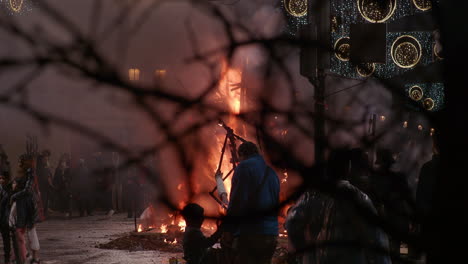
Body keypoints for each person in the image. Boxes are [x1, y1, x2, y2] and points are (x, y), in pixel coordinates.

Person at [223, 141, 279, 264]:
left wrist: (228, 229)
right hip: (271, 234)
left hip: (250, 233)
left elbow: (237, 202)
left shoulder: (243, 168)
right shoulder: (272, 173)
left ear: (242, 154)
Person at [9, 154, 41, 264]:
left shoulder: (30, 173)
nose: (18, 163)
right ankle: (19, 255)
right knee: (18, 230)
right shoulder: (23, 173)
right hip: (22, 204)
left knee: (30, 230)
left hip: (28, 205)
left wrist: (14, 195)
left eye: (20, 161)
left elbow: (27, 190)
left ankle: (34, 257)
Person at [36, 150, 53, 218]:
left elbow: (49, 175)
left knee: (45, 201)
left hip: (46, 186)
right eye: (45, 159)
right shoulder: (40, 167)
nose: (46, 160)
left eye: (47, 159)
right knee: (42, 201)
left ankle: (45, 214)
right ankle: (42, 215)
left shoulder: (46, 167)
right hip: (41, 186)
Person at [0, 174, 12, 264]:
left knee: (6, 239)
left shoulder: (7, 190)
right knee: (6, 239)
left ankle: (7, 258)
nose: (1, 180)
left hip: (4, 218)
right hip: (3, 217)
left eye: (2, 178)